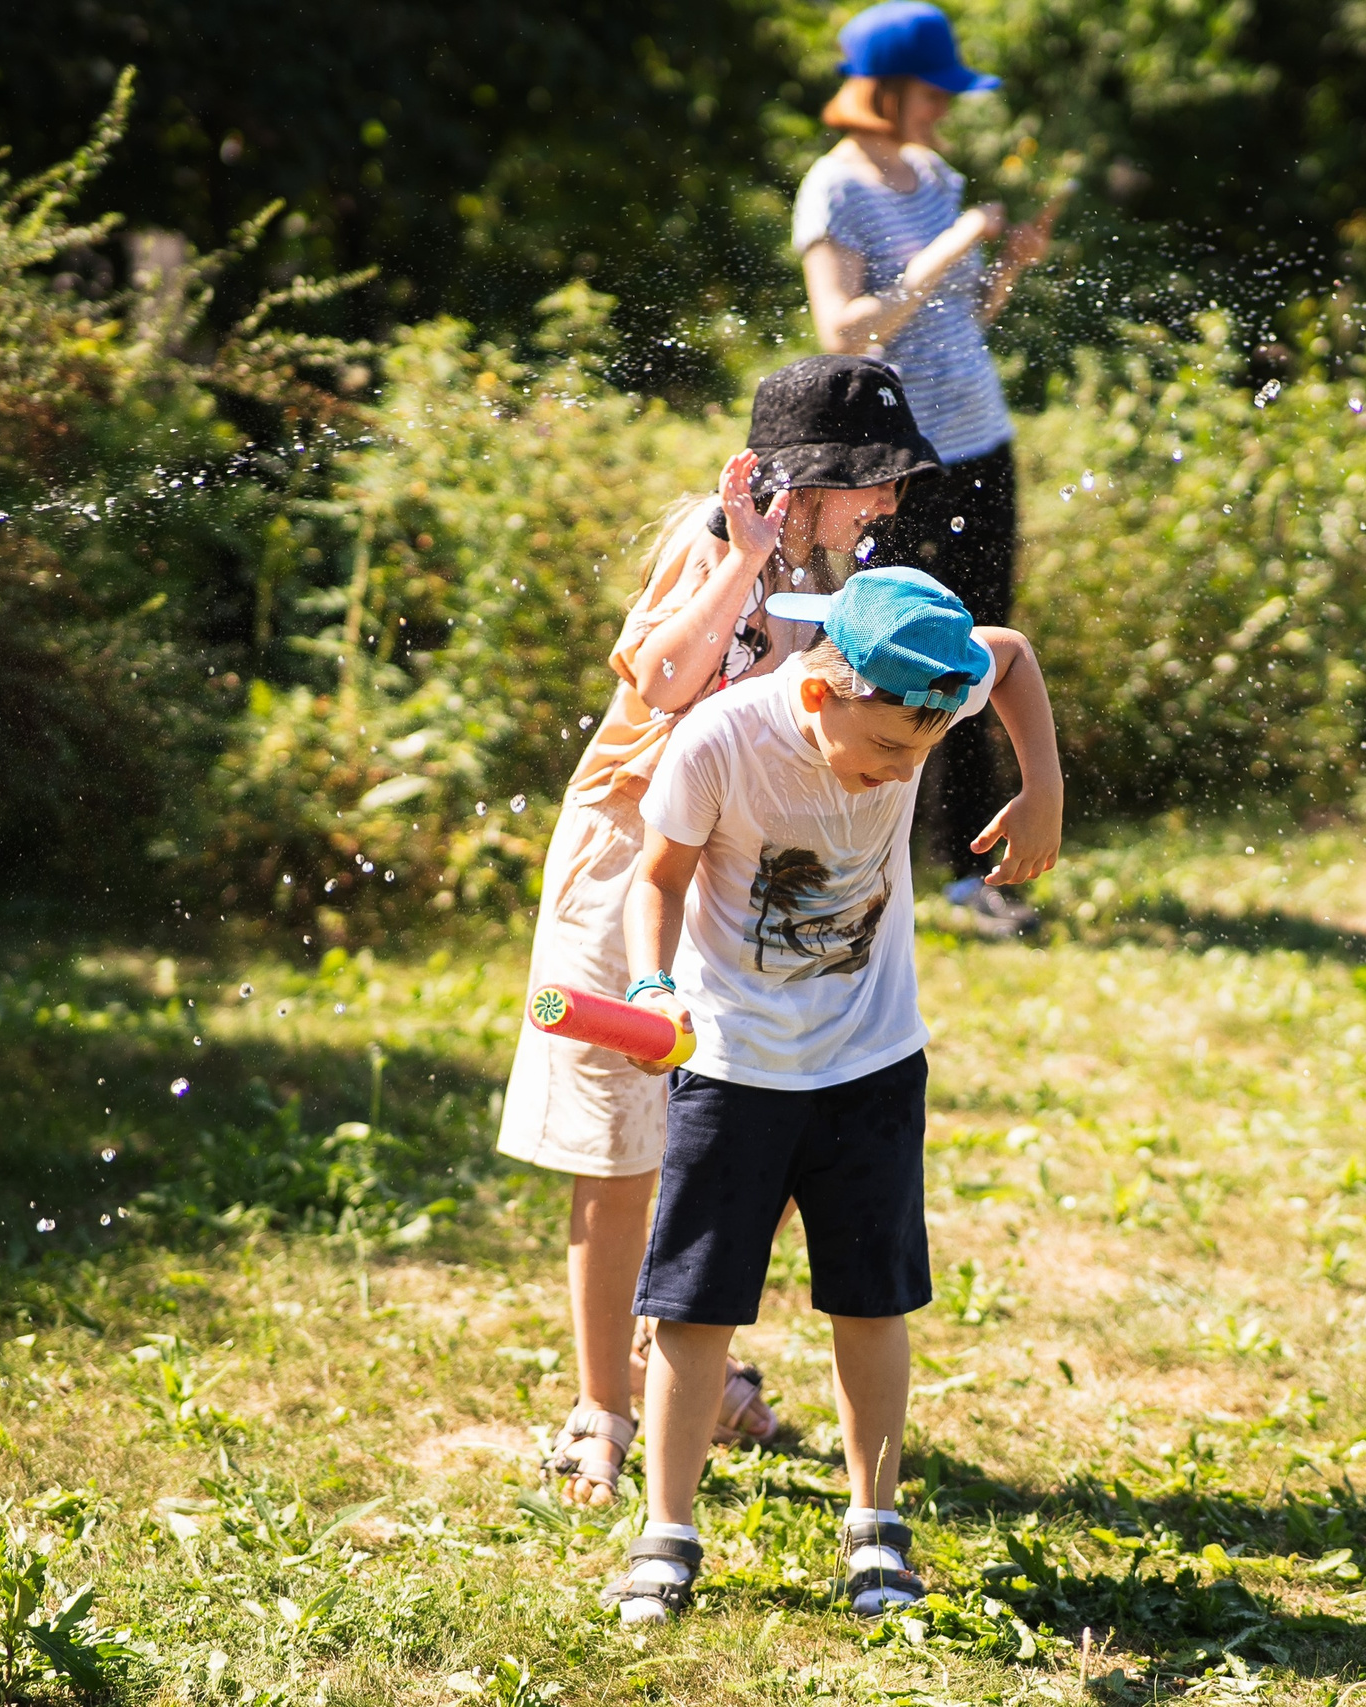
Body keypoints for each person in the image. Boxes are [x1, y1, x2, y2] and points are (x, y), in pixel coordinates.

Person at [499, 354, 944, 1509]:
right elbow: (658, 681)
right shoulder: (717, 542)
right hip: (632, 861)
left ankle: (680, 1351)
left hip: (736, 868)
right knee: (623, 1147)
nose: (889, 501)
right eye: (874, 479)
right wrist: (743, 558)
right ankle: (601, 1410)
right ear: (805, 478)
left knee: (759, 1118)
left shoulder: (829, 571)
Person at [596, 566, 1063, 1625]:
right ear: (820, 693)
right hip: (733, 1065)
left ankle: (875, 1526)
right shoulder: (718, 742)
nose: (902, 771)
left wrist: (1043, 788)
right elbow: (657, 878)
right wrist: (652, 987)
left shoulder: (919, 689)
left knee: (871, 1300)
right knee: (692, 1308)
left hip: (872, 1063)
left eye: (923, 753)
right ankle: (666, 1531)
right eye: (889, 750)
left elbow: (1013, 655)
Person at [794, 0, 1058, 939]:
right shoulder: (833, 190)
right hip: (894, 469)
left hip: (981, 442)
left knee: (974, 654)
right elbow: (844, 331)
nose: (946, 109)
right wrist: (952, 247)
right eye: (934, 92)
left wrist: (1008, 267)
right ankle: (855, 872)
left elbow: (958, 320)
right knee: (878, 661)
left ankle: (976, 878)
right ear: (888, 91)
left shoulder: (937, 176)